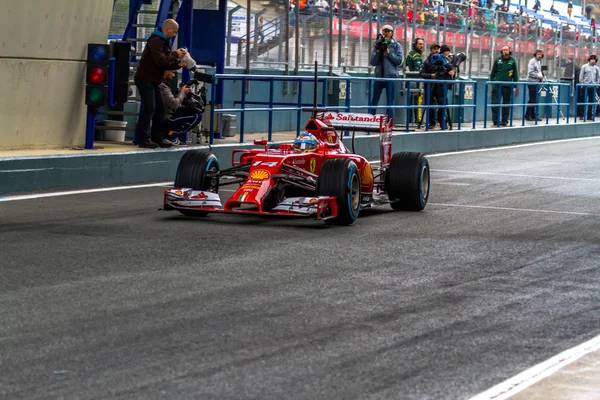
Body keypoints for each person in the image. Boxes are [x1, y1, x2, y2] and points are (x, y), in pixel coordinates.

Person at [134, 19, 186, 148]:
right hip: (145, 79)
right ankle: (143, 139)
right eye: (174, 32)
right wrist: (175, 54)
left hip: (155, 80)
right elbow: (161, 62)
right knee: (149, 108)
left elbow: (167, 63)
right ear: (167, 29)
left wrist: (179, 63)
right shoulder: (155, 41)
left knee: (160, 109)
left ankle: (157, 137)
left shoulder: (164, 41)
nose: (175, 35)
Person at [159, 70, 204, 146]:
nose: (173, 75)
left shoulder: (163, 84)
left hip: (166, 113)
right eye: (172, 72)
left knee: (191, 111)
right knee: (196, 116)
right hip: (165, 117)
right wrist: (182, 92)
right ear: (166, 71)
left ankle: (172, 134)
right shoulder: (163, 87)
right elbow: (174, 104)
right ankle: (172, 136)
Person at [369, 24, 403, 119]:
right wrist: (378, 52)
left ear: (392, 33)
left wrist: (389, 53)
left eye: (388, 31)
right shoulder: (377, 45)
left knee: (390, 101)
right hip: (379, 76)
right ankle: (371, 119)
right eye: (385, 31)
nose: (386, 33)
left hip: (391, 76)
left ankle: (389, 121)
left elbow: (399, 61)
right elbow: (373, 62)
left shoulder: (396, 45)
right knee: (374, 100)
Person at [419, 44, 455, 130]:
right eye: (434, 49)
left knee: (442, 104)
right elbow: (421, 73)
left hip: (440, 86)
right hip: (430, 85)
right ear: (431, 50)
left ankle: (442, 121)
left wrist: (451, 70)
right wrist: (430, 76)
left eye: (437, 49)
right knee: (429, 104)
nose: (436, 51)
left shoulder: (443, 60)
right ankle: (431, 122)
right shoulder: (427, 61)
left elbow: (450, 68)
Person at [490, 45, 519, 127]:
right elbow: (493, 73)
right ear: (501, 51)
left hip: (508, 86)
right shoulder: (497, 60)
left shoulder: (512, 61)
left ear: (509, 51)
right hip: (497, 86)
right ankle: (495, 120)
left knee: (506, 103)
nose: (505, 51)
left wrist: (515, 86)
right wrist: (492, 82)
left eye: (506, 50)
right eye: (503, 50)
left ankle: (504, 120)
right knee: (495, 103)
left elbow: (515, 75)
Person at [405, 38, 424, 124]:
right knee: (417, 102)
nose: (421, 46)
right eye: (419, 44)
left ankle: (409, 120)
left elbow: (404, 64)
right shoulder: (416, 55)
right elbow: (419, 69)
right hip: (417, 82)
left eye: (422, 44)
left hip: (409, 81)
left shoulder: (410, 54)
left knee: (410, 102)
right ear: (415, 44)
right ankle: (417, 120)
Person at [525, 49, 544, 121]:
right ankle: (528, 115)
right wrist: (537, 76)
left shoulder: (539, 62)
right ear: (535, 54)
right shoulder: (532, 61)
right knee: (532, 99)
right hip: (532, 82)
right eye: (538, 54)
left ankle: (533, 115)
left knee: (535, 100)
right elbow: (530, 72)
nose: (539, 56)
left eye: (540, 54)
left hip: (537, 82)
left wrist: (541, 76)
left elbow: (539, 71)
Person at [578, 55, 599, 121]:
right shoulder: (584, 66)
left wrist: (597, 84)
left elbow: (598, 77)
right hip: (585, 86)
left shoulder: (597, 68)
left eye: (594, 59)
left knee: (591, 102)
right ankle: (581, 115)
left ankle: (589, 116)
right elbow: (581, 76)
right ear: (589, 59)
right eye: (592, 59)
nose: (593, 60)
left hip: (593, 87)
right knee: (582, 101)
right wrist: (581, 84)